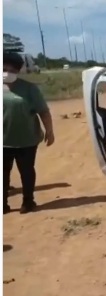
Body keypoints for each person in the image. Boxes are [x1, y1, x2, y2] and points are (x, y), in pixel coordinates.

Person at [3, 52, 55, 214]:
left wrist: (50, 131)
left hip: (27, 139)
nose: (6, 73)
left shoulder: (29, 89)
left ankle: (28, 201)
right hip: (3, 141)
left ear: (18, 71)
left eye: (11, 70)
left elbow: (43, 111)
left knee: (26, 171)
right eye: (3, 69)